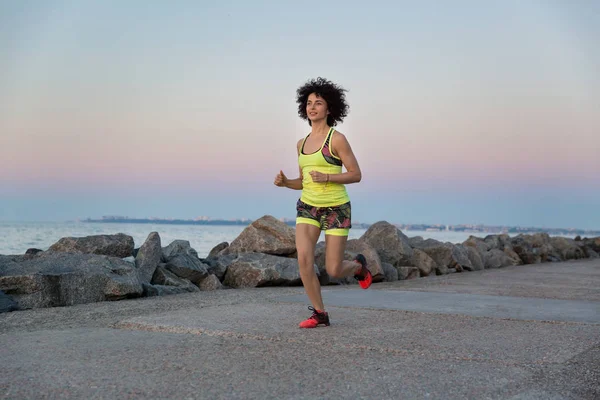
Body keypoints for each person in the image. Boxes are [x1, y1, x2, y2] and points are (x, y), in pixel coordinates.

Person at [274, 77, 372, 328]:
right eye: (308, 103)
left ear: (330, 109)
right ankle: (320, 313)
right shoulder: (301, 144)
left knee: (334, 270)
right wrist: (287, 183)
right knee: (304, 260)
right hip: (308, 207)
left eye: (318, 103)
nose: (312, 107)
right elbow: (305, 182)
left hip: (336, 209)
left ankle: (359, 267)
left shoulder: (336, 139)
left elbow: (356, 174)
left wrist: (328, 176)